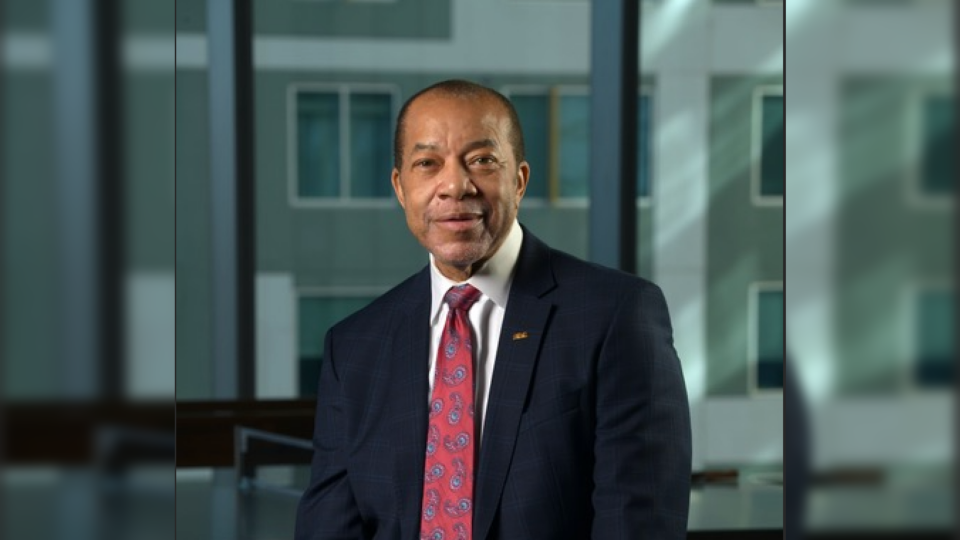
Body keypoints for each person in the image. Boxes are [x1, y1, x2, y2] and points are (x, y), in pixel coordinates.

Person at [295, 79, 691, 540]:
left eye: (482, 160)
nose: (454, 186)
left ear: (518, 181)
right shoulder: (353, 347)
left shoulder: (615, 315)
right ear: (401, 188)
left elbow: (638, 523)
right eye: (427, 164)